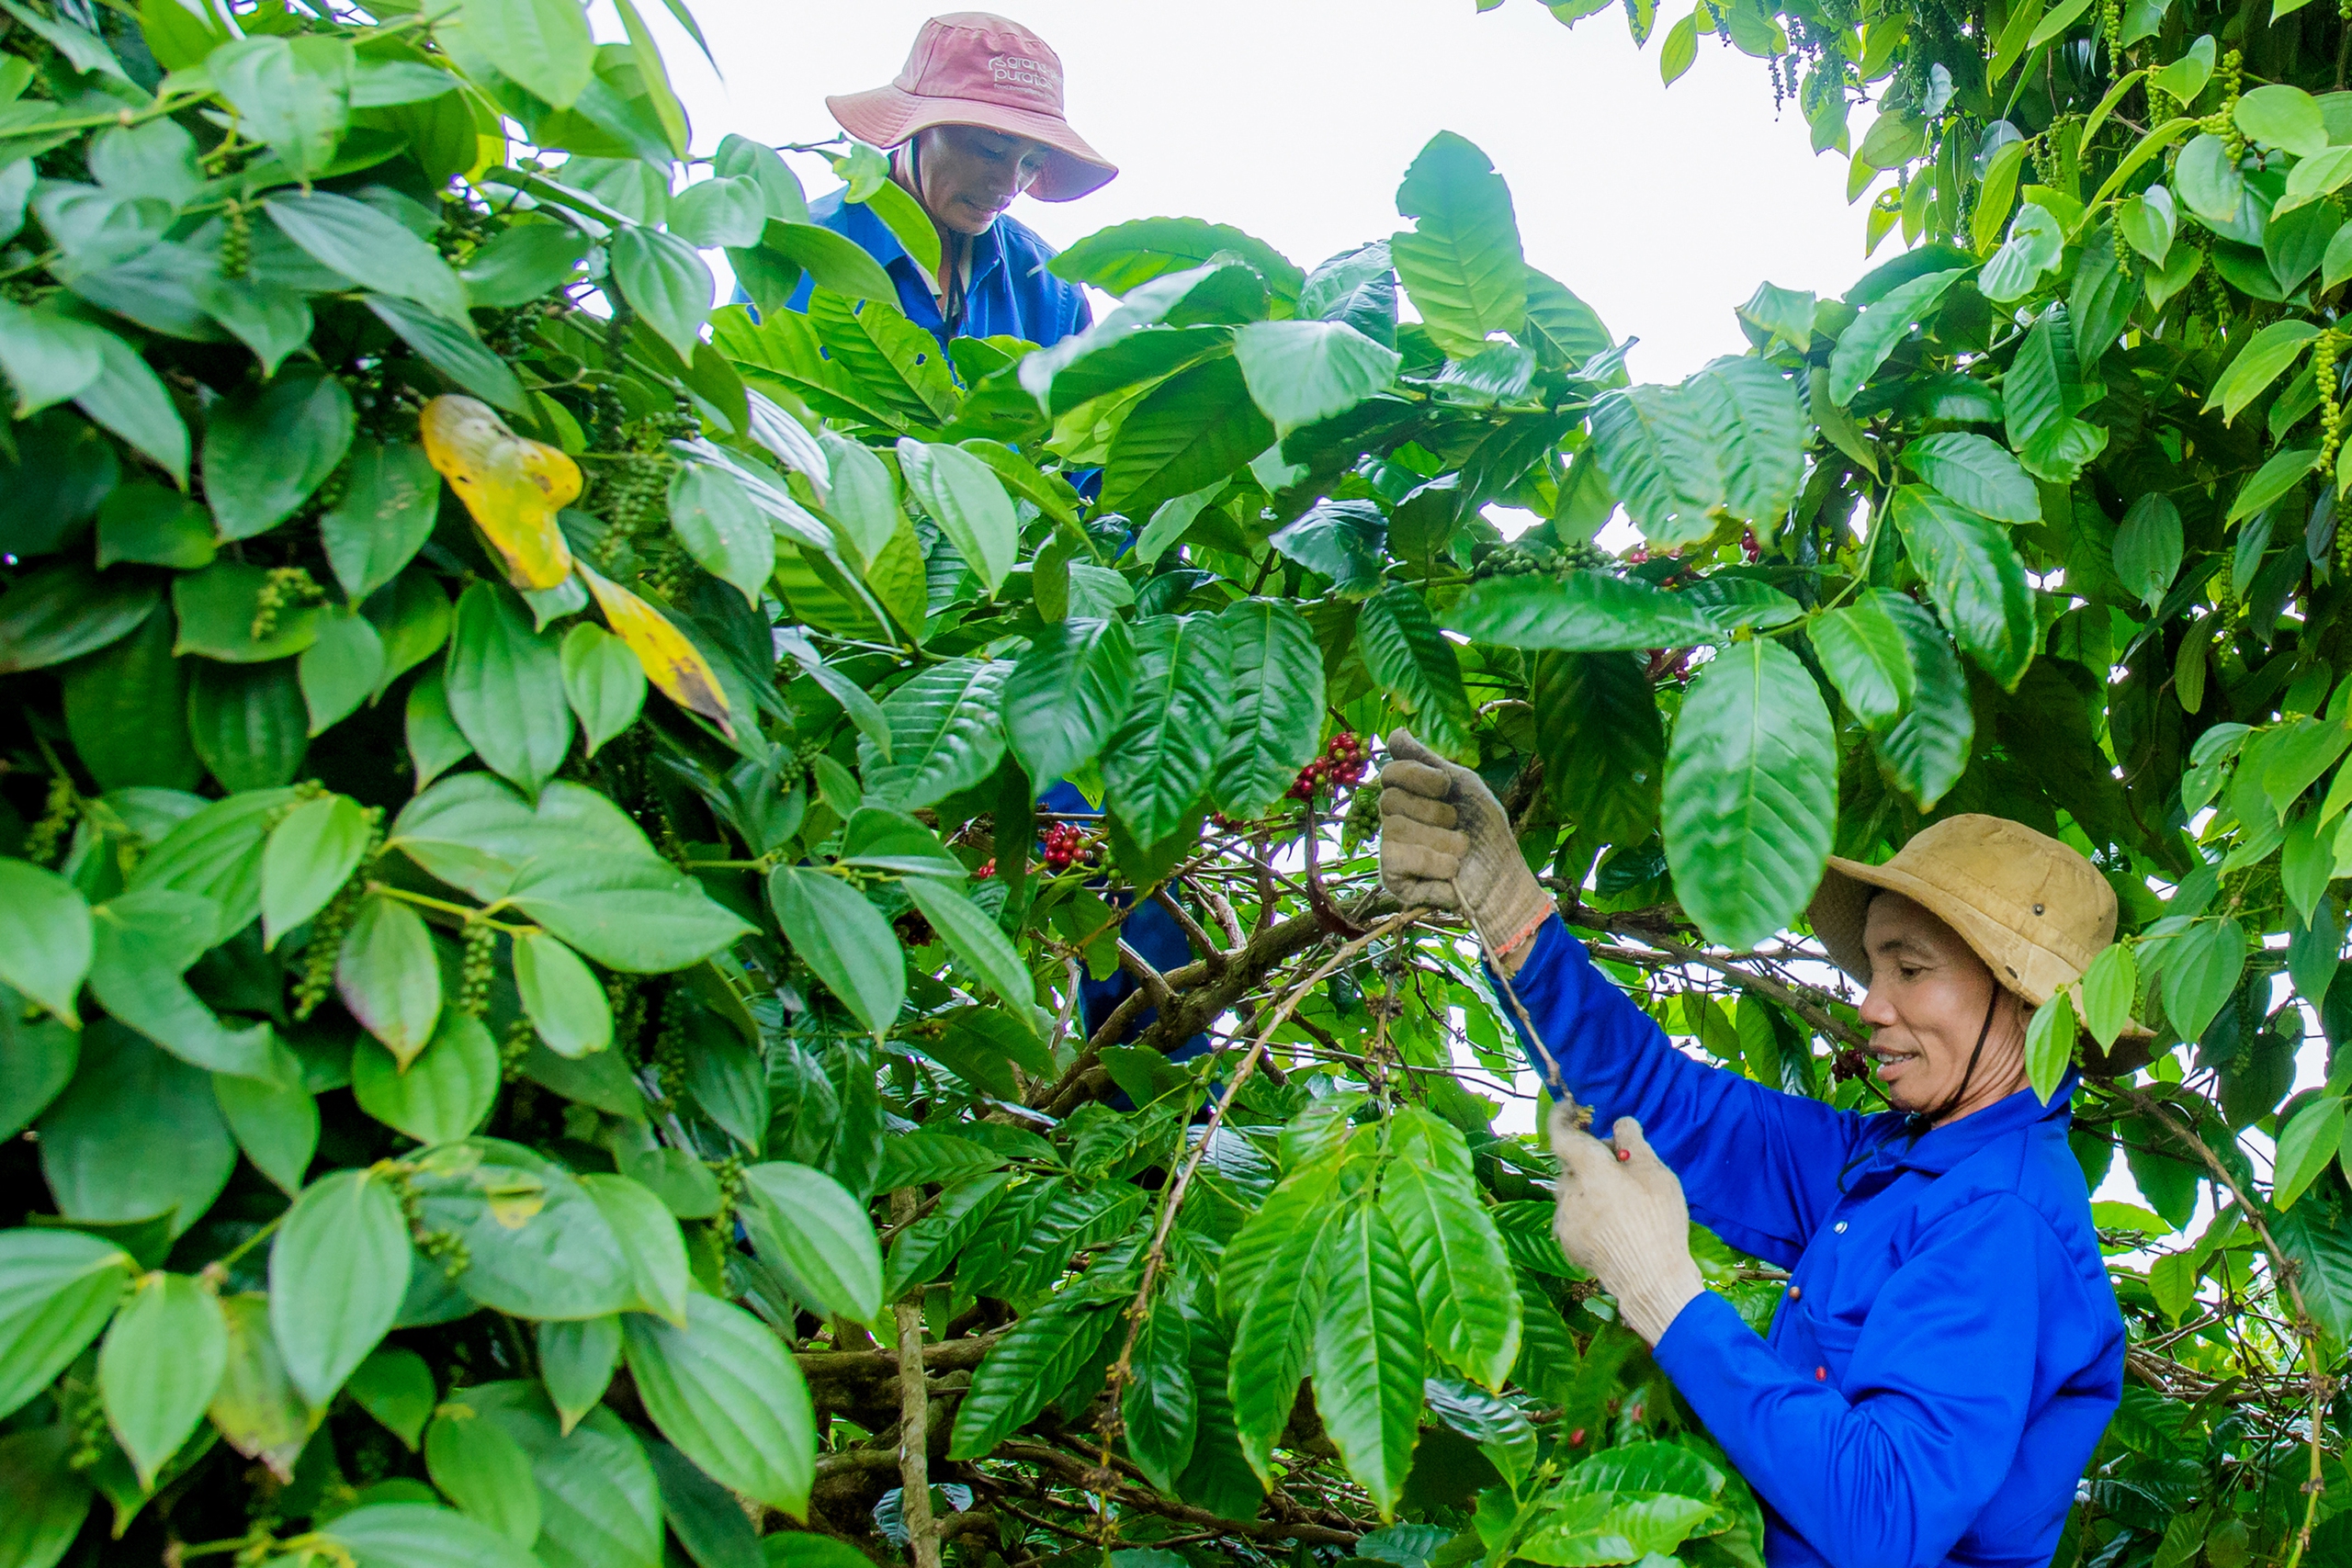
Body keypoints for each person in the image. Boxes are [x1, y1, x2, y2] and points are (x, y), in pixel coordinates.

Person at [1376, 730, 2126, 1568]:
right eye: (1875, 969)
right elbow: (1681, 1109)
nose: (1871, 1006)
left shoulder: (2000, 1217)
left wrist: (1668, 1297)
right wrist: (1509, 912)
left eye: (1909, 970)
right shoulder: (1899, 1161)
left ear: (2027, 1009)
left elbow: (1886, 1513)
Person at [783, 12, 1114, 349]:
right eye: (991, 151)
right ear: (919, 130)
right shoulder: (801, 252)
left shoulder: (1049, 290)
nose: (1010, 185)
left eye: (1031, 163)